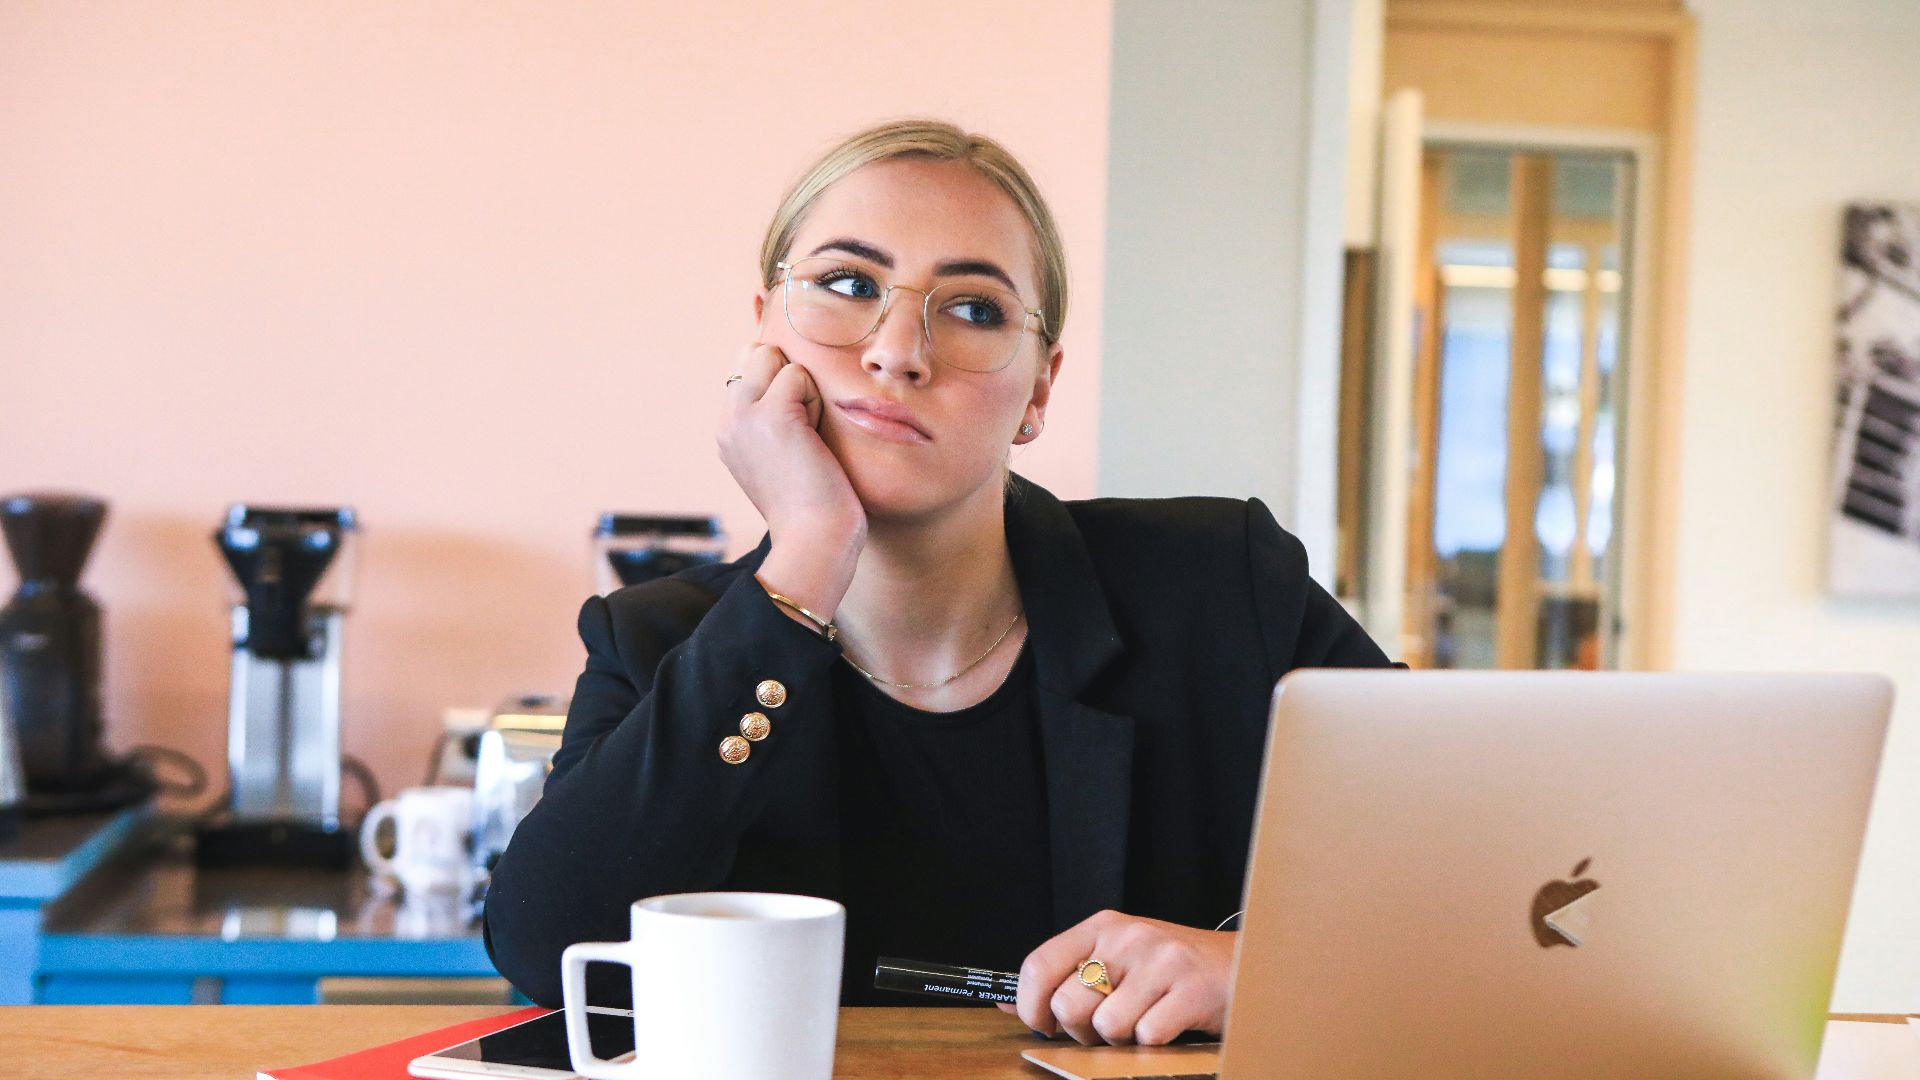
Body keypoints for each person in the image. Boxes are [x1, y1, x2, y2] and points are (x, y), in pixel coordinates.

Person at [483, 118, 1394, 1047]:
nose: (897, 350)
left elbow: (1499, 880)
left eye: (973, 309)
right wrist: (805, 558)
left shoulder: (1221, 586)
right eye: (847, 285)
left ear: (1040, 388)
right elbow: (550, 948)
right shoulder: (656, 640)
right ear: (762, 332)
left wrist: (1260, 968)